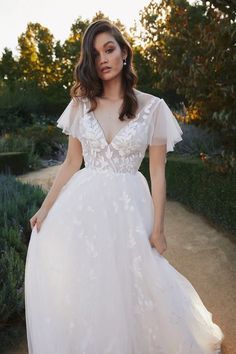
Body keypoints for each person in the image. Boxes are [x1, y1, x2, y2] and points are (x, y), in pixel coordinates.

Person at [24, 19, 224, 354]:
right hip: (84, 206)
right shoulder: (80, 104)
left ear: (123, 53)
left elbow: (158, 173)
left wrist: (159, 228)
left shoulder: (153, 107)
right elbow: (72, 162)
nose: (102, 58)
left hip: (130, 204)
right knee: (89, 282)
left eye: (109, 48)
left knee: (139, 278)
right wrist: (44, 209)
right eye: (94, 53)